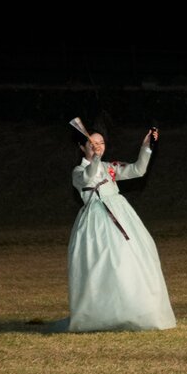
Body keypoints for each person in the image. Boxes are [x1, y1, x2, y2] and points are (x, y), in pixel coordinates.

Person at [64, 128, 176, 332]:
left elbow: (137, 170)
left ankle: (136, 309)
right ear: (82, 147)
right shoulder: (78, 172)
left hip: (121, 216)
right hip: (95, 223)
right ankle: (102, 313)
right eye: (92, 143)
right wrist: (96, 159)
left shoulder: (110, 168)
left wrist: (146, 147)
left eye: (101, 143)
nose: (98, 145)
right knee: (102, 265)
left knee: (131, 259)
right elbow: (89, 178)